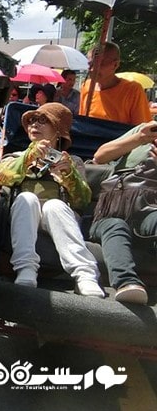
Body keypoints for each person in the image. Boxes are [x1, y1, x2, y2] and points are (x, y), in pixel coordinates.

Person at [0, 103, 105, 297]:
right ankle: (26, 268)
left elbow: (82, 200)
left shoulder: (73, 162)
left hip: (58, 219)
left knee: (54, 206)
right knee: (27, 198)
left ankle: (85, 274)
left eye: (43, 121)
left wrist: (69, 175)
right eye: (32, 121)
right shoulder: (17, 156)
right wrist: (28, 158)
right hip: (24, 217)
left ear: (58, 131)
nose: (35, 125)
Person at [88, 120, 157, 304]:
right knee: (115, 226)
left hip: (151, 209)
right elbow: (100, 156)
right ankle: (127, 282)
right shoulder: (143, 129)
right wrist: (139, 138)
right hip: (113, 208)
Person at [79, 42, 151, 125]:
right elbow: (83, 123)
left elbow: (141, 130)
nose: (92, 69)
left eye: (100, 64)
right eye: (90, 64)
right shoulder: (86, 86)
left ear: (115, 65)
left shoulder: (132, 90)